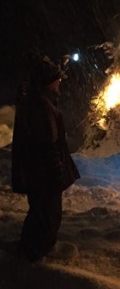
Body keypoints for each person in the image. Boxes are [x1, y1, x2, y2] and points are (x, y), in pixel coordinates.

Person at [11, 52, 80, 262]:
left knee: (42, 212)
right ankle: (34, 255)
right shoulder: (41, 106)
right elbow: (46, 143)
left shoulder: (38, 101)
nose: (59, 83)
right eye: (56, 80)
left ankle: (35, 248)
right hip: (43, 174)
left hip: (39, 173)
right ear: (48, 83)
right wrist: (56, 170)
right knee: (47, 214)